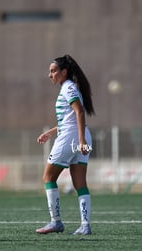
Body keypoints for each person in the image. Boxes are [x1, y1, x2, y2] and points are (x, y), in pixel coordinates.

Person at [35, 54, 95, 235]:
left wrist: (81, 141)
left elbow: (79, 112)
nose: (50, 75)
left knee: (48, 178)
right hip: (80, 135)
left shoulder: (68, 88)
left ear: (64, 72)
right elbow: (69, 118)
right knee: (80, 184)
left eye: (53, 71)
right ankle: (85, 226)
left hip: (72, 138)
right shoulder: (71, 87)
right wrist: (50, 132)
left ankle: (56, 222)